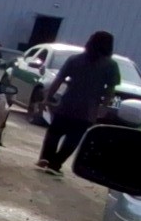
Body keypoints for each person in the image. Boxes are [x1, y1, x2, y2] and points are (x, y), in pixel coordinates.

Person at [37, 30, 120, 175]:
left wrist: (47, 98)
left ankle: (46, 158)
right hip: (88, 109)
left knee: (54, 132)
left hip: (67, 103)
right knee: (73, 138)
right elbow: (110, 89)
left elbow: (58, 80)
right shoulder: (111, 65)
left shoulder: (74, 59)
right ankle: (55, 164)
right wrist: (104, 106)